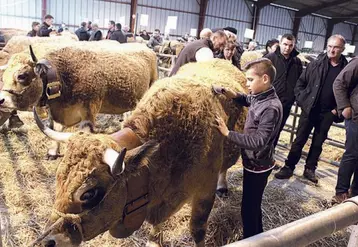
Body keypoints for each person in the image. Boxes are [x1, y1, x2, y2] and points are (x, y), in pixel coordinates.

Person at [215, 58, 282, 238]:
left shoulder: (271, 108)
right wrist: (232, 94)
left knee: (249, 208)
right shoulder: (261, 97)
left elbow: (258, 141)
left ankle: (252, 240)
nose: (247, 83)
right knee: (252, 204)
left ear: (265, 79)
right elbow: (248, 99)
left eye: (251, 80)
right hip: (253, 162)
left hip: (258, 165)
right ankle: (258, 235)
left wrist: (227, 133)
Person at [275, 35, 348, 183]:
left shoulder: (345, 69)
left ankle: (310, 169)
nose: (332, 50)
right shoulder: (316, 64)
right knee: (299, 139)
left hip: (328, 112)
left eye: (336, 47)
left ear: (343, 49)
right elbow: (300, 84)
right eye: (329, 46)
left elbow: (349, 91)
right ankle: (289, 166)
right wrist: (303, 101)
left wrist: (336, 110)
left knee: (318, 142)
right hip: (310, 108)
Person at [264, 34, 303, 148]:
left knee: (277, 130)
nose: (287, 48)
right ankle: (257, 158)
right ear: (280, 44)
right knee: (265, 129)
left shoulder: (297, 62)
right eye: (285, 44)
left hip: (286, 103)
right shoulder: (269, 59)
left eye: (290, 45)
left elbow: (299, 81)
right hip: (269, 102)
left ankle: (270, 156)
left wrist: (294, 96)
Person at [332, 56, 358, 203]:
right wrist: (344, 106)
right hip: (356, 117)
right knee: (353, 153)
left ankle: (354, 193)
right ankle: (341, 193)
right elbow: (339, 83)